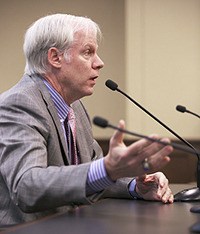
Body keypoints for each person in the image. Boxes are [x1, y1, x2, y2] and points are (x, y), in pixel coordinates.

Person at [0, 13, 174, 226]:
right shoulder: (19, 103)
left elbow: (90, 174)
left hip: (70, 225)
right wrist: (109, 169)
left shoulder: (74, 106)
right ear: (55, 58)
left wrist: (135, 186)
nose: (99, 63)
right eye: (88, 52)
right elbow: (26, 186)